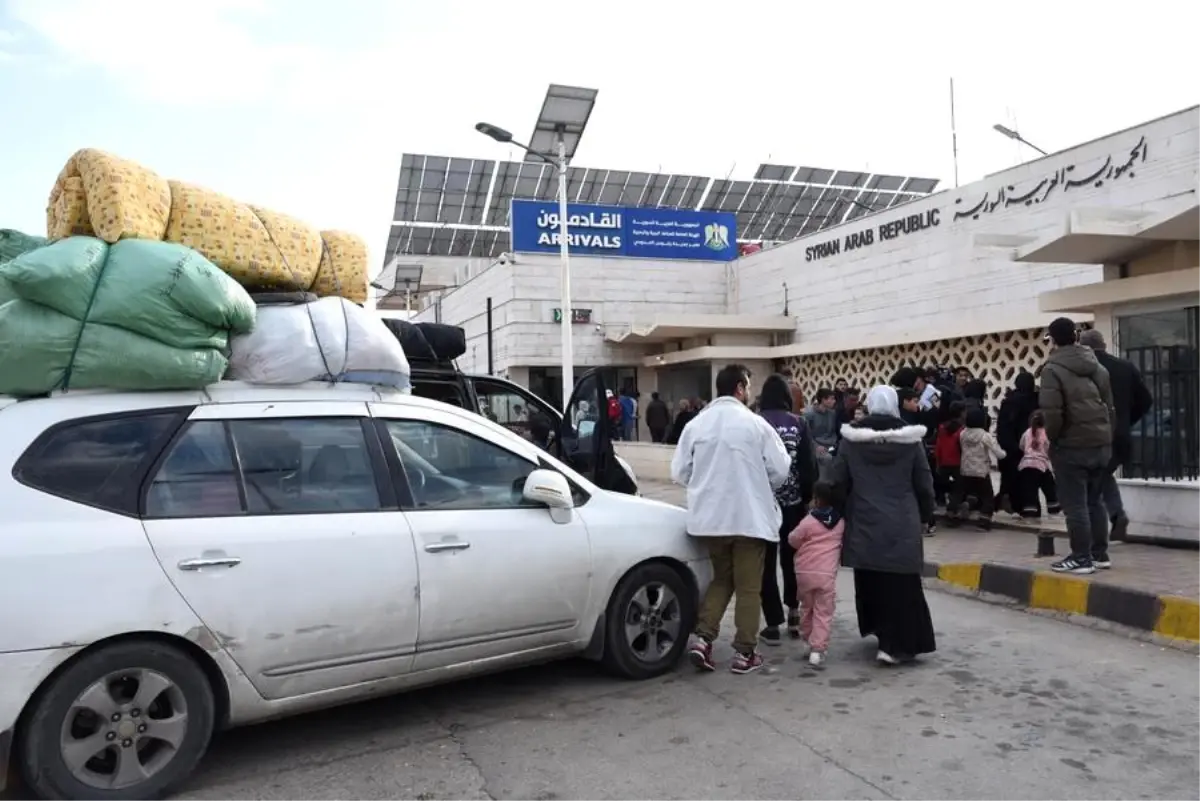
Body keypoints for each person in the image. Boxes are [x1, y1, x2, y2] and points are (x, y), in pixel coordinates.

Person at [674, 364, 791, 675]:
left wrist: (708, 485)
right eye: (748, 386)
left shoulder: (696, 425)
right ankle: (745, 653)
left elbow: (680, 472)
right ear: (740, 388)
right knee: (749, 587)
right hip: (749, 518)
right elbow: (780, 469)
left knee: (722, 579)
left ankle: (702, 639)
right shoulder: (755, 425)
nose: (749, 391)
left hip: (711, 520)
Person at [830, 385, 936, 665]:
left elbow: (836, 479)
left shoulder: (851, 440)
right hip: (902, 522)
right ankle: (895, 643)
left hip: (865, 521)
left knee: (872, 582)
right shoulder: (910, 440)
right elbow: (924, 482)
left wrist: (836, 512)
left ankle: (880, 633)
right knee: (902, 585)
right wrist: (926, 514)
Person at [1040, 317, 1115, 575]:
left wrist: (1055, 438)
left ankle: (1081, 557)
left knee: (1075, 505)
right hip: (1100, 444)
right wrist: (1107, 436)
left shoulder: (1052, 370)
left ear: (1053, 339)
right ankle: (1099, 554)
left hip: (1071, 446)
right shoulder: (1096, 366)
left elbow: (1053, 413)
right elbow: (1109, 406)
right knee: (1096, 501)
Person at [756, 374, 818, 645]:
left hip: (763, 506)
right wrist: (805, 498)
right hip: (793, 505)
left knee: (765, 564)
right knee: (792, 561)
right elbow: (809, 467)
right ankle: (795, 613)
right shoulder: (799, 424)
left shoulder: (755, 424)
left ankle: (772, 623)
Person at [1078, 329, 1153, 542]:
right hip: (1120, 436)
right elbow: (1146, 400)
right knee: (1103, 475)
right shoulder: (1125, 367)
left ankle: (1096, 542)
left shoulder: (1085, 370)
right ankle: (1116, 515)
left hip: (1092, 436)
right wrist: (1126, 422)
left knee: (1091, 487)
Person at [787, 480, 845, 668]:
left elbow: (793, 539)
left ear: (816, 499)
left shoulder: (808, 521)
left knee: (807, 608)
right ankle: (817, 650)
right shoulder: (840, 522)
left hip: (804, 573)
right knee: (823, 612)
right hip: (826, 575)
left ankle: (806, 641)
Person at [954, 408, 1006, 530]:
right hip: (981, 471)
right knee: (987, 495)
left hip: (965, 469)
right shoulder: (985, 435)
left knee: (969, 491)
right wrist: (1004, 454)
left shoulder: (963, 433)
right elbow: (997, 452)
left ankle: (962, 507)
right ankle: (984, 520)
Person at [996, 371, 1039, 514]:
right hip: (1032, 446)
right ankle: (1029, 507)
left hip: (1011, 446)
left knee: (1011, 475)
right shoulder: (1036, 400)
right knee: (1030, 479)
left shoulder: (1009, 401)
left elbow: (1002, 426)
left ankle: (1009, 501)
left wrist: (1007, 445)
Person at [1018, 410, 1060, 518]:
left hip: (1026, 465)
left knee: (1030, 491)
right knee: (1049, 488)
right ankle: (1053, 509)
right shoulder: (1046, 433)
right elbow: (1049, 449)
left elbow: (1021, 446)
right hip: (1042, 465)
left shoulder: (1027, 432)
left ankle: (1031, 511)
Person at [934, 402, 966, 510]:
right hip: (958, 463)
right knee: (959, 488)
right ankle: (953, 508)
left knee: (942, 485)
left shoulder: (942, 427)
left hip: (944, 462)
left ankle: (941, 502)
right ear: (961, 413)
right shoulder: (962, 430)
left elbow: (939, 446)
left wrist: (938, 462)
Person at [804, 388, 840, 475]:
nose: (834, 401)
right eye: (831, 398)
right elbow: (807, 435)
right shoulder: (809, 414)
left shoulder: (832, 413)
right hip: (817, 446)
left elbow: (833, 432)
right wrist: (816, 446)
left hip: (832, 446)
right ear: (823, 400)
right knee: (826, 458)